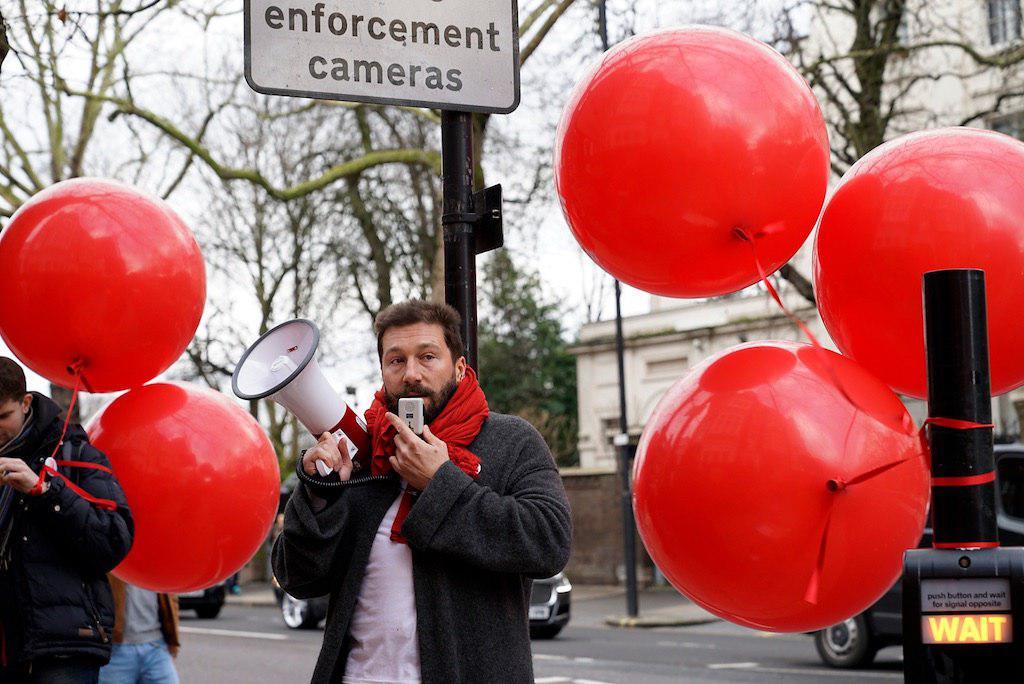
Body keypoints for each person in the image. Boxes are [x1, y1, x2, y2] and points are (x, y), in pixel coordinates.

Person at [273, 300, 572, 683]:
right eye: (396, 361)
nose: (411, 373)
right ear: (383, 371)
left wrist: (441, 483)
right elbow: (297, 578)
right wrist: (319, 494)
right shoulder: (365, 453)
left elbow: (549, 542)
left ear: (460, 368)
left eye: (427, 357)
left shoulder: (511, 442)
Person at [0, 357, 134, 682]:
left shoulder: (76, 453)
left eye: (3, 416)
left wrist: (44, 491)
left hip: (60, 646)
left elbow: (113, 539)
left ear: (26, 402)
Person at [99, 576, 180, 684]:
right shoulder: (111, 562)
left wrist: (172, 642)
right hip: (115, 649)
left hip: (156, 647)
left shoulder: (157, 561)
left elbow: (171, 596)